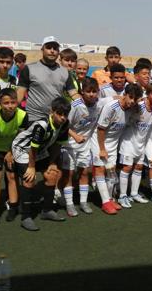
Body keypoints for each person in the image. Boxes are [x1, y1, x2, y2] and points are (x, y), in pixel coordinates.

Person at [12, 97, 71, 231]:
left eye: (65, 115)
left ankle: (47, 211)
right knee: (29, 179)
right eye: (59, 114)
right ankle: (26, 217)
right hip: (23, 149)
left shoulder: (65, 124)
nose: (63, 118)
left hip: (40, 149)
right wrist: (32, 168)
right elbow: (32, 148)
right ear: (52, 111)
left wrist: (51, 163)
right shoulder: (42, 125)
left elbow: (57, 145)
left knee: (52, 175)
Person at [93, 83, 142, 215]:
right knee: (99, 169)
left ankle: (110, 199)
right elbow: (101, 128)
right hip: (99, 140)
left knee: (111, 173)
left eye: (135, 99)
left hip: (113, 143)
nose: (132, 101)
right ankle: (105, 203)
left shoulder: (132, 108)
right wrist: (102, 149)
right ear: (124, 94)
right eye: (130, 97)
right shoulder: (111, 107)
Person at [59, 77, 106, 216]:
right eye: (88, 91)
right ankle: (69, 203)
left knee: (85, 172)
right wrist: (75, 136)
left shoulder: (98, 104)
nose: (92, 94)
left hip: (85, 145)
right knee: (69, 174)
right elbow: (63, 124)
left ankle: (84, 202)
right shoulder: (75, 105)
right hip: (70, 143)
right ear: (82, 92)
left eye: (94, 91)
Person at [0, 88, 28, 225]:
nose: (10, 106)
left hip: (12, 148)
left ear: (17, 103)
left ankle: (13, 208)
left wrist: (11, 152)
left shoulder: (22, 115)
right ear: (0, 103)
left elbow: (21, 136)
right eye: (6, 103)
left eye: (13, 102)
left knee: (12, 176)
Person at [117, 83, 152, 208]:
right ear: (147, 94)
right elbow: (123, 105)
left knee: (138, 167)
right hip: (128, 141)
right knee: (127, 168)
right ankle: (122, 196)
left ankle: (134, 194)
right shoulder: (138, 106)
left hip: (141, 143)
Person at [16, 37, 79, 122]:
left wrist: (84, 106)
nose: (52, 51)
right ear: (42, 49)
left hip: (55, 120)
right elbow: (20, 94)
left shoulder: (65, 72)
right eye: (49, 47)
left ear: (58, 52)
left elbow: (74, 94)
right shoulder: (29, 69)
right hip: (33, 119)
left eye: (55, 48)